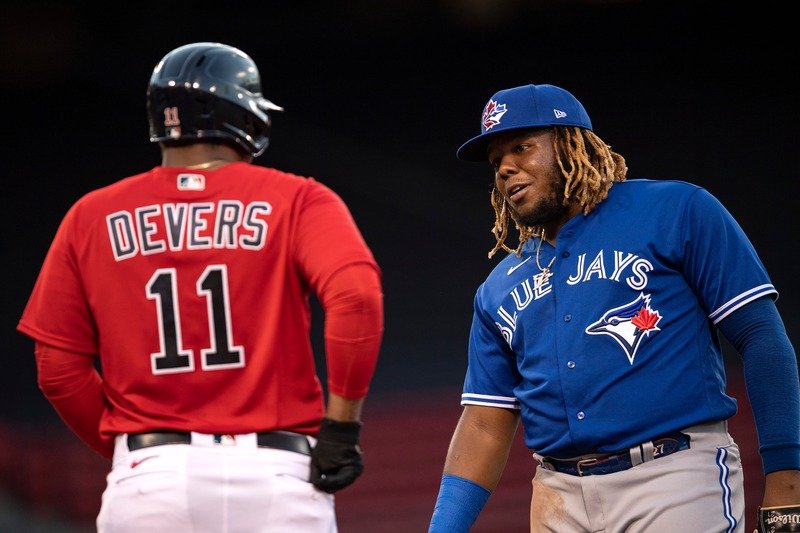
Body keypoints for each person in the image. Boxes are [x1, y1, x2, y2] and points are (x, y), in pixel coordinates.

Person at [17, 42, 384, 532]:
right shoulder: (299, 198)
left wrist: (134, 448)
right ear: (243, 114)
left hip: (152, 476)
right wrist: (340, 427)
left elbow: (57, 369)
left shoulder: (91, 215)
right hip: (276, 471)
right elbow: (356, 297)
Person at [428, 83, 800, 532]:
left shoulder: (676, 209)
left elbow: (760, 337)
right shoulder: (498, 287)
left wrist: (786, 485)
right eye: (496, 162)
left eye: (522, 147)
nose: (506, 168)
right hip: (557, 493)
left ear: (571, 143)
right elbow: (486, 422)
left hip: (673, 476)